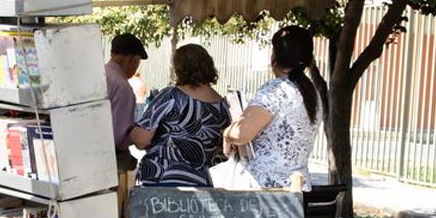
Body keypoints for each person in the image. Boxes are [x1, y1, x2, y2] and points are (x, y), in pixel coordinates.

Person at [223, 25, 321, 190]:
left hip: (266, 190)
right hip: (298, 188)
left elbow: (241, 133)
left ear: (274, 56)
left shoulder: (275, 90)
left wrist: (226, 134)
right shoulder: (312, 92)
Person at [130, 44, 230, 186]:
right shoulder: (223, 105)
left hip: (162, 178)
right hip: (203, 183)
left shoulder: (171, 96)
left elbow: (141, 139)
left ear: (179, 68)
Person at [105, 33, 147, 171]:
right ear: (132, 60)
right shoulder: (122, 88)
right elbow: (119, 136)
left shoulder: (100, 74)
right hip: (111, 158)